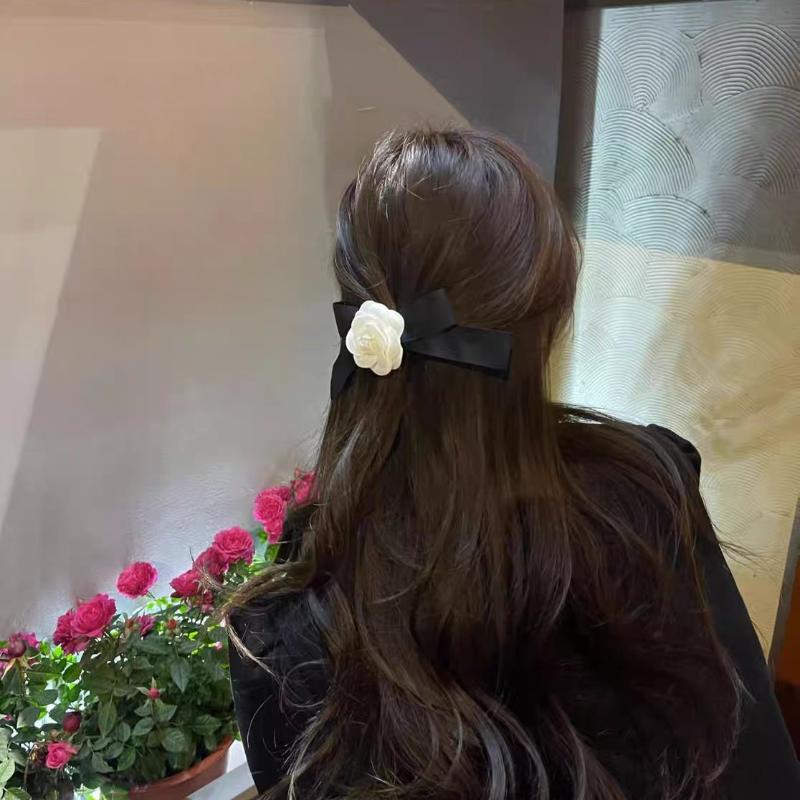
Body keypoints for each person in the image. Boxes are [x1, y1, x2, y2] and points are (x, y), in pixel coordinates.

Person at [226, 129, 800, 799]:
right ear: (546, 321)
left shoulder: (280, 626)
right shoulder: (646, 495)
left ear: (357, 318)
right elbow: (760, 768)